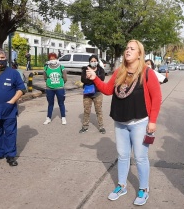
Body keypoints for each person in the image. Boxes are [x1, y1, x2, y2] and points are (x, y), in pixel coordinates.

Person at [86, 40, 161, 206]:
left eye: (132, 49)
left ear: (139, 54)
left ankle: (144, 189)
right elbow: (107, 90)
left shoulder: (147, 73)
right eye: (127, 48)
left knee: (140, 158)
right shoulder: (119, 71)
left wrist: (153, 121)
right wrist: (95, 78)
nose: (128, 51)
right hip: (120, 122)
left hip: (140, 122)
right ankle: (121, 186)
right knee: (122, 155)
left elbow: (156, 98)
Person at [79, 55, 106, 134]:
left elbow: (102, 79)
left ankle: (101, 127)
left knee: (99, 110)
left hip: (97, 93)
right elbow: (83, 79)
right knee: (86, 110)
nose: (93, 62)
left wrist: (92, 77)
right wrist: (92, 79)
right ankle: (85, 127)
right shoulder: (85, 69)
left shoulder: (100, 70)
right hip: (87, 93)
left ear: (97, 61)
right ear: (89, 62)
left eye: (95, 61)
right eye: (92, 61)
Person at [43, 52, 68, 125]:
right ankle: (48, 118)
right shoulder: (46, 67)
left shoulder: (61, 67)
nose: (52, 60)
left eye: (54, 59)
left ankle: (63, 117)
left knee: (61, 103)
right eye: (51, 59)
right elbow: (45, 78)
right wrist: (48, 83)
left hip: (60, 88)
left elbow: (65, 78)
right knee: (50, 104)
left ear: (56, 59)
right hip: (49, 89)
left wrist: (61, 83)